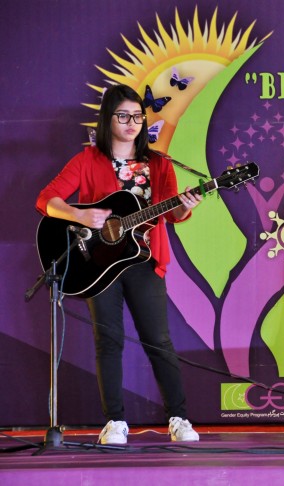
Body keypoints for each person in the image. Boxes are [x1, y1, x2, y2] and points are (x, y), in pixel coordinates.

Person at [36, 84, 202, 445]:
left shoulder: (159, 164)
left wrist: (185, 206)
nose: (132, 123)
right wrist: (78, 212)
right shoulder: (87, 160)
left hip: (144, 260)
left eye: (138, 116)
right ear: (107, 118)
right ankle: (115, 422)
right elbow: (46, 199)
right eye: (123, 116)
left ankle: (179, 417)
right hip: (98, 263)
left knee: (158, 340)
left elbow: (171, 213)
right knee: (108, 340)